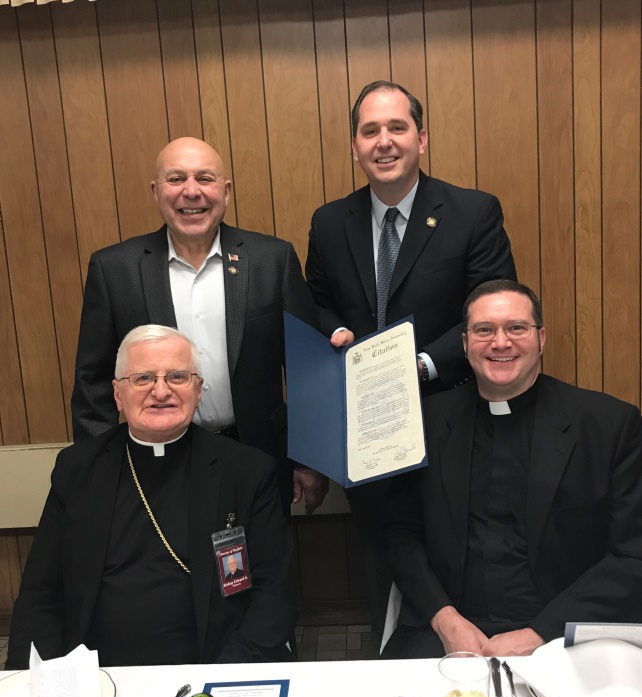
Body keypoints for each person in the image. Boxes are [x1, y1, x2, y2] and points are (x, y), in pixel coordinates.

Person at [305, 80, 517, 644]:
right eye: (370, 130)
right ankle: (386, 661)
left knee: (449, 550)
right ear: (354, 145)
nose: (384, 141)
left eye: (397, 127)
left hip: (448, 418)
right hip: (364, 429)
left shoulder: (473, 212)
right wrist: (333, 330)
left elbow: (492, 304)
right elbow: (316, 299)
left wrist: (420, 364)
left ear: (421, 137)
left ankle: (466, 651)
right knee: (380, 550)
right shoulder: (330, 222)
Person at [6, 325, 296, 669]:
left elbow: (274, 593)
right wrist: (36, 681)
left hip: (212, 667)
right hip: (100, 675)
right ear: (117, 394)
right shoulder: (78, 470)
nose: (161, 391)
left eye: (177, 376)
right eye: (143, 378)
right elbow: (41, 593)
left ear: (198, 389)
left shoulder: (246, 471)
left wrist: (222, 680)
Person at [384, 280, 642, 658]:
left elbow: (632, 554)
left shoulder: (608, 425)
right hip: (446, 627)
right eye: (484, 330)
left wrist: (538, 634)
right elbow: (400, 536)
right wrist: (446, 620)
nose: (500, 342)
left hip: (565, 630)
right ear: (465, 343)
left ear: (541, 339)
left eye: (516, 328)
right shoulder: (423, 423)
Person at [71, 137, 327, 515]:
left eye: (204, 178)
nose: (191, 192)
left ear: (225, 191)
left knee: (261, 570)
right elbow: (92, 387)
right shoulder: (115, 271)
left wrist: (310, 460)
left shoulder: (272, 260)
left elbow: (308, 371)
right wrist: (103, 474)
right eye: (176, 179)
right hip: (153, 465)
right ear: (156, 192)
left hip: (258, 460)